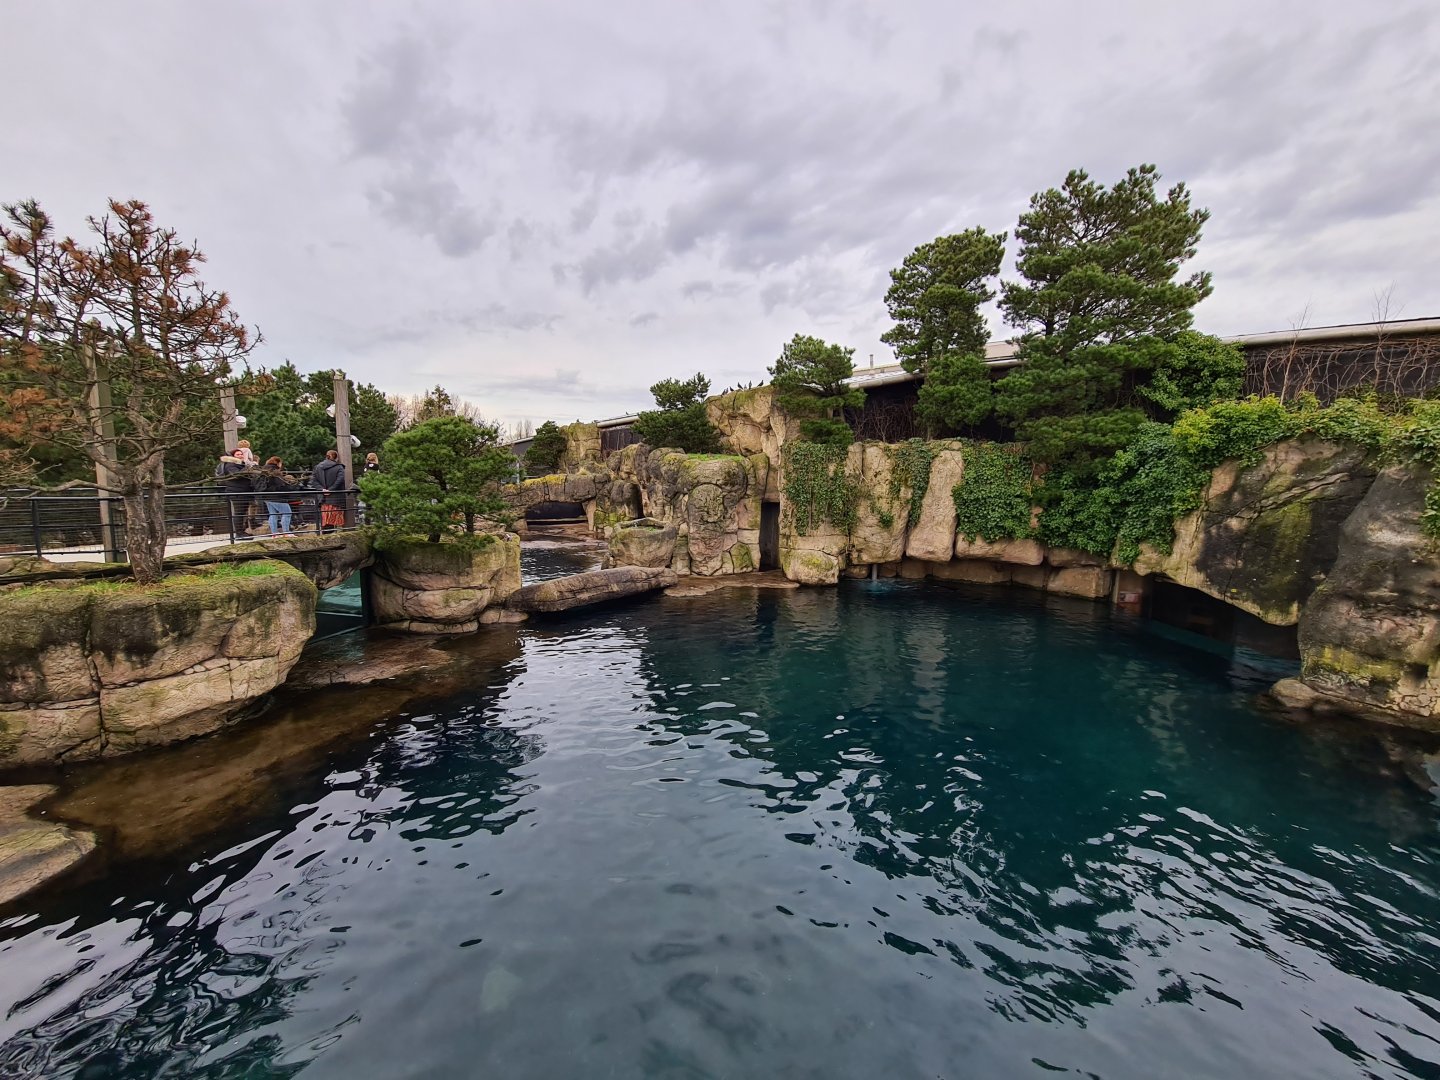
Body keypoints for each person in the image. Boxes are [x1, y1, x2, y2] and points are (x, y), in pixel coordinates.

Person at [255, 456, 297, 536]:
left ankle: (274, 533)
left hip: (266, 496)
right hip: (277, 496)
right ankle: (286, 532)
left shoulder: (263, 471)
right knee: (287, 513)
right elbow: (280, 485)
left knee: (273, 514)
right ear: (278, 463)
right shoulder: (275, 472)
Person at [214, 450, 253, 536]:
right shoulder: (230, 465)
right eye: (238, 454)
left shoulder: (240, 464)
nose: (240, 455)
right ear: (233, 456)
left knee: (242, 512)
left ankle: (241, 531)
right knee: (239, 513)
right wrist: (247, 469)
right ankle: (239, 533)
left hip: (242, 491)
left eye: (241, 454)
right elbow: (236, 475)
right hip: (237, 492)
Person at [312, 449, 347, 532]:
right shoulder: (339, 467)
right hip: (336, 498)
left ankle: (326, 535)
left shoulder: (317, 467)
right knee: (336, 519)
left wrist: (322, 489)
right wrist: (330, 490)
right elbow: (340, 480)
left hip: (323, 498)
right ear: (336, 458)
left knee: (325, 519)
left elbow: (313, 481)